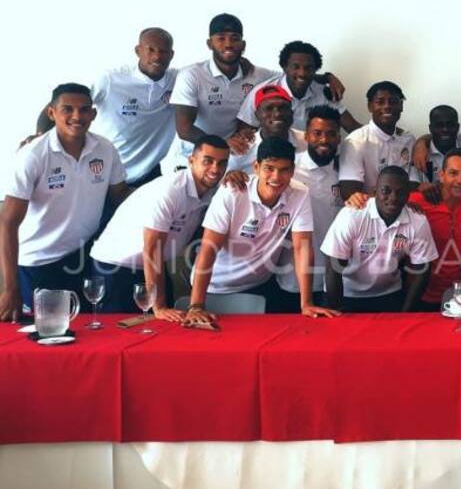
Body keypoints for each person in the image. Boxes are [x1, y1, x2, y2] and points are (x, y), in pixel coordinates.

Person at [1, 84, 128, 320]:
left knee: (89, 328)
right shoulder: (33, 155)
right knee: (47, 332)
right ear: (52, 113)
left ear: (93, 114)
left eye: (84, 109)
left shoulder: (105, 149)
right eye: (67, 109)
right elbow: (7, 222)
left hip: (83, 257)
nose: (77, 116)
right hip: (39, 262)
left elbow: (121, 196)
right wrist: (10, 288)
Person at [185, 138, 337, 319]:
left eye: (284, 170)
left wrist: (306, 304)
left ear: (293, 171)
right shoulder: (232, 192)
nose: (276, 177)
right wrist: (196, 306)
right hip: (214, 286)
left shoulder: (300, 193)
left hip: (260, 286)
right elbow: (208, 249)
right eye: (269, 168)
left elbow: (302, 249)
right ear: (256, 167)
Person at [90, 136, 230, 316]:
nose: (215, 169)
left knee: (164, 325)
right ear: (191, 161)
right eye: (207, 161)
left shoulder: (211, 192)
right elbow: (152, 250)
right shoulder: (171, 190)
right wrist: (159, 307)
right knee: (122, 330)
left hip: (150, 267)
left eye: (222, 163)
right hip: (115, 268)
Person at [32, 28, 178, 187]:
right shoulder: (111, 80)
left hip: (148, 173)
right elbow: (66, 101)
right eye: (151, 50)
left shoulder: (179, 81)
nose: (157, 56)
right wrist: (39, 138)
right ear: (138, 51)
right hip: (103, 172)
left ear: (171, 54)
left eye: (163, 51)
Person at [160, 13, 279, 173]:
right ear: (210, 44)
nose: (228, 44)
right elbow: (184, 129)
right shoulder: (191, 75)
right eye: (221, 38)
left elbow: (292, 75)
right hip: (192, 155)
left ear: (243, 45)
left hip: (233, 155)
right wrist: (222, 143)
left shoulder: (258, 75)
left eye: (234, 38)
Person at [322, 167, 438, 312]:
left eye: (400, 192)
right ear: (375, 192)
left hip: (389, 294)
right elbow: (332, 267)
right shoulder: (351, 215)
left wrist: (405, 313)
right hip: (345, 293)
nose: (393, 198)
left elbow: (422, 271)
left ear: (408, 194)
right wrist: (338, 311)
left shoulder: (418, 221)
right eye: (386, 191)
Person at [406, 148, 461, 311]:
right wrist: (359, 198)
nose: (460, 180)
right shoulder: (417, 201)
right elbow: (383, 201)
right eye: (453, 173)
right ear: (441, 175)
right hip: (419, 294)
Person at [275, 106, 344, 306]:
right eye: (317, 133)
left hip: (334, 279)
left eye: (331, 134)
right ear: (306, 136)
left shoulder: (345, 174)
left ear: (339, 138)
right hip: (291, 277)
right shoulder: (289, 169)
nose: (324, 140)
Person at [237, 40, 359, 133]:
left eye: (308, 68)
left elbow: (352, 127)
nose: (302, 73)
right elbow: (244, 134)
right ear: (284, 67)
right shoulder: (262, 93)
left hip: (311, 155)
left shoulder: (323, 92)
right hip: (275, 155)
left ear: (315, 69)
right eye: (296, 67)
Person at [338, 81, 416, 200]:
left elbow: (414, 185)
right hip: (368, 208)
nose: (387, 106)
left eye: (393, 102)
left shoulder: (408, 140)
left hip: (403, 206)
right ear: (370, 106)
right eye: (380, 102)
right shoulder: (356, 141)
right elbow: (350, 195)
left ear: (401, 106)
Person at [226, 84, 307, 173]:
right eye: (269, 108)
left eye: (283, 108)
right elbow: (224, 175)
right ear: (257, 115)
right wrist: (230, 175)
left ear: (291, 112)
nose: (277, 114)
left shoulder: (307, 142)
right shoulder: (242, 148)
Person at [416, 105, 461, 183]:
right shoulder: (420, 155)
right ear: (430, 128)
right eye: (439, 126)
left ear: (457, 127)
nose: (445, 129)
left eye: (450, 125)